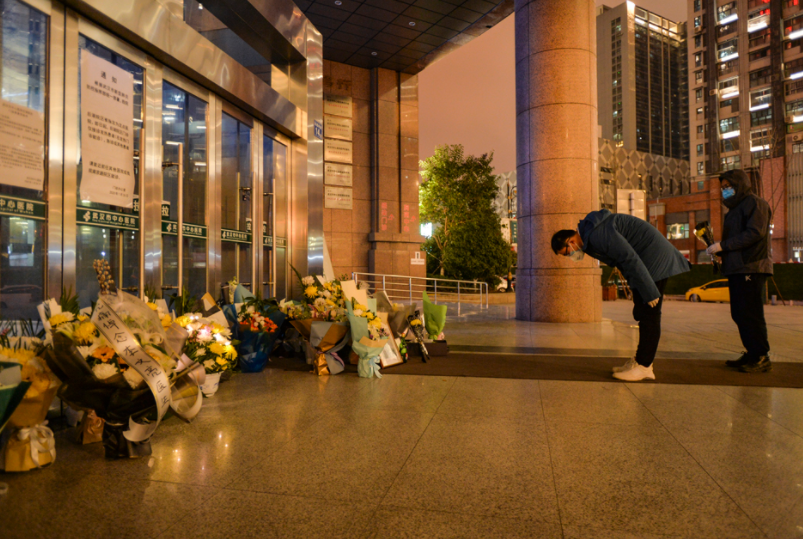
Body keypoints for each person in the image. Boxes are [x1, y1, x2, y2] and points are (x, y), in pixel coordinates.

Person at [551, 209, 690, 381]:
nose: (570, 256)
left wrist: (649, 290)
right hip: (646, 260)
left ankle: (644, 366)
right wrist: (637, 288)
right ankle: (640, 361)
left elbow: (628, 258)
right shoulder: (590, 238)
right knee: (642, 312)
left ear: (571, 241)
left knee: (649, 315)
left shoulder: (597, 234)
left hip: (654, 258)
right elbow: (622, 262)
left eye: (567, 253)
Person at [706, 169, 773, 373]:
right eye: (723, 187)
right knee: (740, 313)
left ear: (740, 184)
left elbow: (755, 233)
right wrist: (720, 250)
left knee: (751, 313)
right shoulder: (734, 209)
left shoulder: (755, 203)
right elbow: (736, 240)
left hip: (751, 266)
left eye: (728, 186)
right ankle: (752, 353)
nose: (725, 190)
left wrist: (724, 245)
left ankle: (761, 356)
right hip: (737, 268)